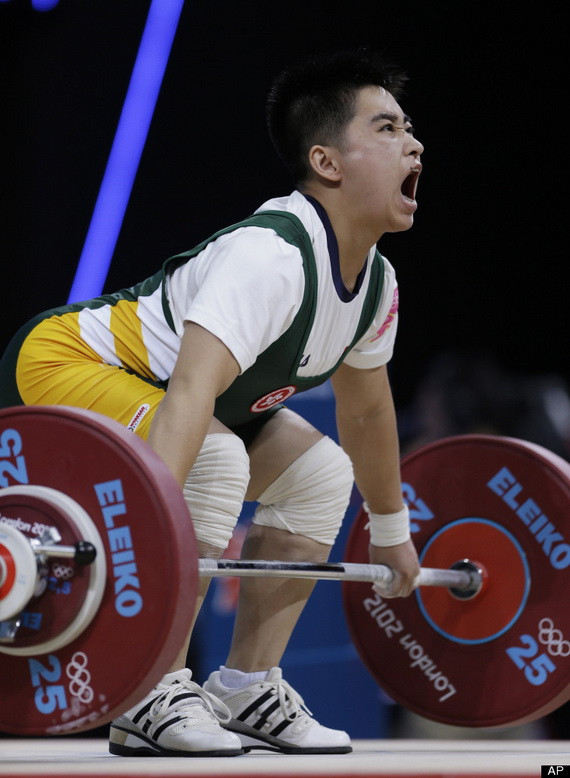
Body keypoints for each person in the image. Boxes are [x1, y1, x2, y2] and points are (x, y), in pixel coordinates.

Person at [0, 48, 423, 757]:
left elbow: (368, 414)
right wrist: (148, 546)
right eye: (386, 128)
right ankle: (151, 690)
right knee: (214, 457)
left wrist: (391, 528)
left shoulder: (374, 288)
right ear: (327, 162)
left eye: (409, 127)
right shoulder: (271, 257)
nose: (413, 141)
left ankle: (245, 686)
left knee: (320, 475)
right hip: (58, 366)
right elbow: (193, 391)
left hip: (174, 404)